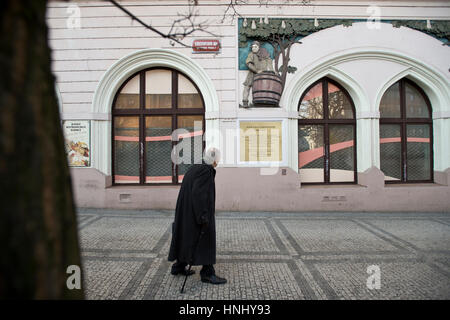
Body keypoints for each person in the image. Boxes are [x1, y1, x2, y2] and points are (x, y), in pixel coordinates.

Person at [168, 147, 226, 285]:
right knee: (205, 240)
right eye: (217, 160)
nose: (217, 163)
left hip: (186, 213)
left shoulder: (196, 167)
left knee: (186, 238)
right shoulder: (205, 171)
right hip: (196, 214)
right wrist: (203, 217)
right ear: (214, 160)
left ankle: (179, 266)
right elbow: (199, 195)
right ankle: (207, 273)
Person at [241, 40, 274, 108]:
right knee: (247, 86)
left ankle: (265, 100)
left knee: (263, 86)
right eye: (252, 47)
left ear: (259, 47)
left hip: (263, 74)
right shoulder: (251, 55)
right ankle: (245, 101)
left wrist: (271, 70)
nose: (254, 48)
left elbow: (269, 62)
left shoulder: (264, 53)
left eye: (255, 47)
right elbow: (248, 63)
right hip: (253, 73)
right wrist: (256, 70)